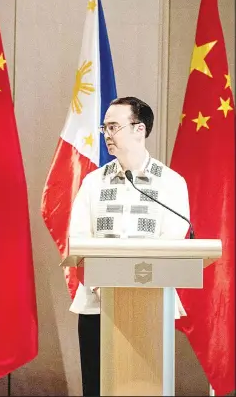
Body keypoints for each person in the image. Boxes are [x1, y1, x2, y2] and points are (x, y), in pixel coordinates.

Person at [68, 96, 190, 396]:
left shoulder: (171, 184)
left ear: (140, 129)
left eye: (114, 126)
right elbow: (78, 240)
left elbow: (173, 241)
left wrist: (134, 288)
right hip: (98, 306)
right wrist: (105, 288)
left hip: (151, 307)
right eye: (104, 127)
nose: (107, 134)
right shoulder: (93, 183)